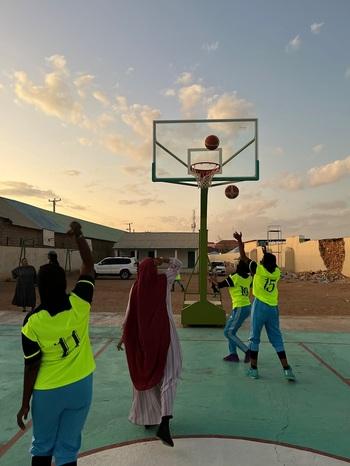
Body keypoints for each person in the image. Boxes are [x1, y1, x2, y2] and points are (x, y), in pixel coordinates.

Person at [16, 222, 96, 466]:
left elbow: (32, 367)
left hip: (49, 390)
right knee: (68, 448)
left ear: (38, 286)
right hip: (82, 385)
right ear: (65, 284)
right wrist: (79, 236)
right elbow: (89, 266)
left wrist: (24, 403)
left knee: (42, 446)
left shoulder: (33, 322)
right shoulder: (80, 302)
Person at [118, 257, 182, 448]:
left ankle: (148, 416)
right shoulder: (163, 280)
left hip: (144, 340)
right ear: (153, 270)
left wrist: (124, 336)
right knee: (170, 376)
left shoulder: (135, 288)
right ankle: (164, 422)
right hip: (165, 336)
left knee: (148, 373)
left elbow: (129, 314)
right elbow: (177, 265)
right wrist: (164, 260)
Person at [233, 231, 295, 381]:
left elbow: (243, 257)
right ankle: (287, 370)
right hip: (273, 308)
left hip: (260, 306)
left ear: (262, 264)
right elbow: (269, 264)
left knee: (254, 338)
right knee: (276, 338)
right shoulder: (277, 273)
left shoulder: (259, 270)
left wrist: (240, 240)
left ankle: (254, 369)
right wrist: (266, 253)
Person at [211, 260, 251, 363]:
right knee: (231, 332)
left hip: (240, 307)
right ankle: (233, 355)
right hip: (245, 306)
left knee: (228, 332)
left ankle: (247, 351)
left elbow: (219, 285)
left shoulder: (235, 277)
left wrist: (213, 279)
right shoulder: (249, 277)